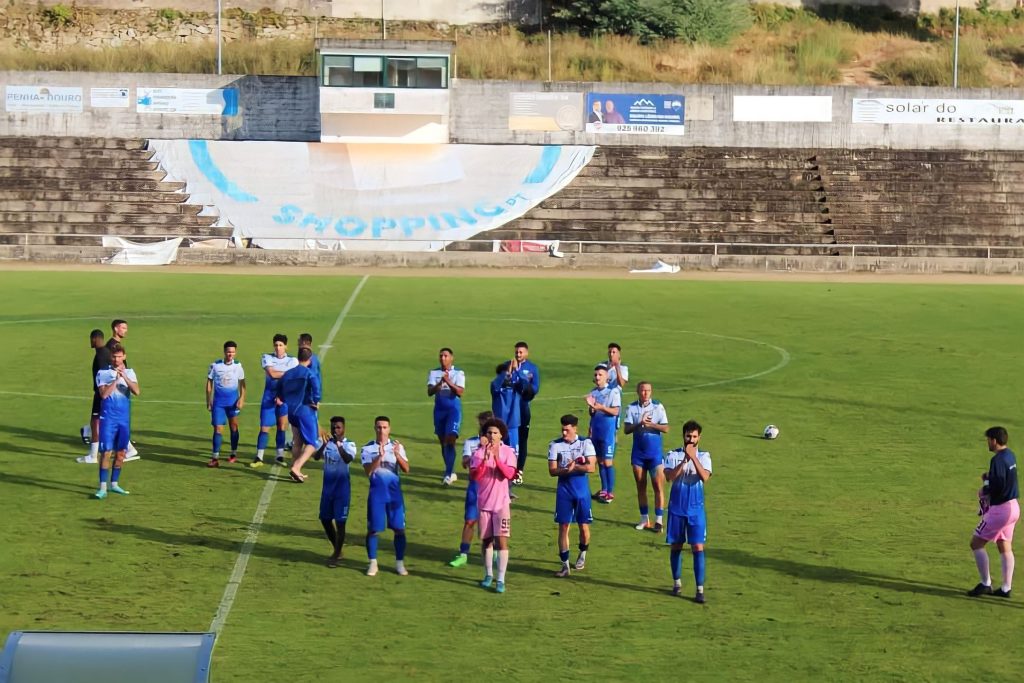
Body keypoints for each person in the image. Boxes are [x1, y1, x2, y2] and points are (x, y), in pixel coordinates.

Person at [968, 426, 1019, 598]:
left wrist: (985, 489)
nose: (987, 443)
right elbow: (1003, 479)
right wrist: (989, 477)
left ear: (994, 440)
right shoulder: (1010, 455)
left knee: (976, 543)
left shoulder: (997, 460)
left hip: (1001, 510)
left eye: (988, 439)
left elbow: (996, 486)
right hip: (1013, 506)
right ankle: (1006, 588)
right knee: (1004, 546)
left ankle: (985, 584)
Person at [664, 420, 712, 603]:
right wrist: (685, 459)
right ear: (683, 436)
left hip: (696, 510)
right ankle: (677, 584)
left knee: (698, 547)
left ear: (699, 437)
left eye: (694, 436)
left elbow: (705, 477)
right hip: (676, 509)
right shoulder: (673, 455)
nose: (691, 440)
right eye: (688, 436)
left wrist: (694, 458)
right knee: (676, 546)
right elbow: (669, 477)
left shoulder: (705, 456)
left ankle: (700, 590)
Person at [470, 418, 518, 593]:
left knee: (502, 541)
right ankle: (489, 574)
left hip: (501, 504)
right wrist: (484, 460)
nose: (491, 436)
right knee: (486, 541)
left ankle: (501, 579)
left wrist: (497, 460)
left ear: (501, 435)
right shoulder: (478, 453)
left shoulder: (508, 452)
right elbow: (475, 476)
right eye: (489, 432)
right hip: (484, 503)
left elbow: (510, 474)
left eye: (495, 433)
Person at [361, 416, 410, 577]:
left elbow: (406, 469)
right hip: (377, 495)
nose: (381, 430)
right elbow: (368, 472)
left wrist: (397, 455)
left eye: (384, 427)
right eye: (379, 427)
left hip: (395, 495)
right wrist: (379, 457)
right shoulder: (367, 449)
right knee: (373, 529)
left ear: (389, 429)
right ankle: (373, 563)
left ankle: (399, 563)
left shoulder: (397, 446)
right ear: (374, 428)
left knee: (399, 529)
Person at [548, 414, 596, 578]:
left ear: (575, 428)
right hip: (564, 491)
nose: (564, 433)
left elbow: (591, 468)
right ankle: (565, 565)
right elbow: (552, 470)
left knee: (583, 526)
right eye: (562, 429)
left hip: (582, 491)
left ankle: (582, 553)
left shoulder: (585, 443)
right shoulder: (555, 445)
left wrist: (574, 466)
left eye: (567, 430)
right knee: (563, 526)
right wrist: (565, 470)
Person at [93, 344, 140, 500]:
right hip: (108, 418)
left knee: (121, 453)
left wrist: (124, 377)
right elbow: (104, 395)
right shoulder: (103, 373)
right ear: (110, 357)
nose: (116, 359)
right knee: (106, 452)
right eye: (114, 356)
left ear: (124, 357)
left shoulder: (130, 373)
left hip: (123, 419)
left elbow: (137, 391)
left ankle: (114, 484)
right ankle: (102, 488)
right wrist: (116, 380)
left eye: (119, 356)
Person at [449, 411, 493, 568]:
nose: (481, 428)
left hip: (492, 488)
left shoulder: (499, 445)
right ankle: (463, 554)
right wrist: (479, 450)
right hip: (474, 487)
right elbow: (465, 462)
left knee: (490, 523)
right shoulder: (471, 442)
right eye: (480, 425)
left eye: (484, 424)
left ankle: (492, 554)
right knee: (469, 521)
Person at [624, 381, 669, 531]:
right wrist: (639, 423)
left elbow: (666, 428)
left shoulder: (658, 407)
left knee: (657, 486)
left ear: (651, 392)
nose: (645, 393)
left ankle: (659, 521)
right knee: (641, 486)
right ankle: (644, 520)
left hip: (655, 454)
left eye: (648, 391)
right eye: (643, 390)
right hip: (638, 455)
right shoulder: (631, 408)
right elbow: (626, 429)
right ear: (638, 391)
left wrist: (650, 425)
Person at [249, 333, 297, 468]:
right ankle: (259, 457)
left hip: (284, 398)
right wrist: (287, 374)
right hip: (269, 398)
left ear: (286, 346)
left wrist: (282, 395)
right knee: (264, 427)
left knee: (282, 427)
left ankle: (279, 456)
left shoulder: (293, 360)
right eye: (276, 345)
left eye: (281, 345)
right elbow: (271, 373)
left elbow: (291, 379)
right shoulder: (267, 357)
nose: (278, 347)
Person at [276, 347, 322, 482]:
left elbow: (279, 389)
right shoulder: (308, 373)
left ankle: (295, 471)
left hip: (291, 411)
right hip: (305, 411)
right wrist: (315, 400)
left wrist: (283, 399)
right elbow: (316, 388)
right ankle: (297, 467)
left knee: (297, 441)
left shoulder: (288, 373)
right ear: (310, 359)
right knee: (312, 443)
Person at [319, 416, 357, 568]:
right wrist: (323, 445)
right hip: (327, 490)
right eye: (334, 427)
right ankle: (338, 549)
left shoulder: (350, 444)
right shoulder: (327, 444)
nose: (336, 430)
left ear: (344, 428)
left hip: (342, 490)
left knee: (340, 522)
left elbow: (348, 459)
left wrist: (339, 446)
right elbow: (316, 457)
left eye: (338, 427)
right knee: (325, 519)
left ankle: (336, 554)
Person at [427, 347, 465, 486]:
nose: (443, 358)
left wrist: (448, 381)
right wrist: (439, 383)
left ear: (451, 358)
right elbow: (430, 392)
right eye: (441, 356)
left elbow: (460, 392)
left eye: (445, 356)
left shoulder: (458, 373)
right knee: (443, 442)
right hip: (439, 411)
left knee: (450, 439)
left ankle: (448, 474)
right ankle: (451, 470)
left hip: (453, 410)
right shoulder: (434, 372)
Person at [206, 340, 246, 467]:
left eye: (233, 352)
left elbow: (242, 384)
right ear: (224, 352)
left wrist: (242, 398)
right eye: (229, 352)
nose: (231, 354)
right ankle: (215, 457)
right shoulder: (215, 366)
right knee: (218, 429)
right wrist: (208, 401)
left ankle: (233, 453)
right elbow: (209, 383)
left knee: (233, 427)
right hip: (219, 403)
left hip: (233, 402)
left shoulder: (238, 366)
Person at [104, 319, 139, 461]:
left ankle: (127, 448)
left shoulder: (114, 345)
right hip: (115, 387)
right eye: (123, 328)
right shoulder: (112, 346)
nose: (126, 331)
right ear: (115, 329)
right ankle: (127, 449)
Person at [586, 364, 621, 504]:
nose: (597, 377)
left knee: (607, 462)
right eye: (596, 375)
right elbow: (592, 413)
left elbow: (615, 412)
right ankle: (604, 489)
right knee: (599, 461)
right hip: (596, 430)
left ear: (607, 376)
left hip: (608, 432)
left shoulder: (613, 392)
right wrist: (592, 410)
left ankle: (610, 492)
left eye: (600, 375)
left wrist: (600, 407)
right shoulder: (593, 392)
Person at [78, 329, 110, 464]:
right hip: (104, 392)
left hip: (101, 393)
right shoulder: (103, 353)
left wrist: (102, 392)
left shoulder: (101, 355)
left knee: (95, 421)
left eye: (91, 339)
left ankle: (93, 455)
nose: (90, 342)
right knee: (100, 421)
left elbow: (104, 375)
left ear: (95, 339)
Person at [511, 341, 540, 485]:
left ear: (527, 353)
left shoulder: (532, 368)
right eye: (516, 352)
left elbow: (534, 389)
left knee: (522, 441)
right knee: (507, 440)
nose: (518, 354)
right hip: (508, 410)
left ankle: (519, 471)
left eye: (521, 352)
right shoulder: (507, 366)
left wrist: (518, 374)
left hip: (523, 410)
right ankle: (508, 469)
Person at [490, 361, 522, 455]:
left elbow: (523, 383)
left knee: (513, 453)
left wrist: (516, 370)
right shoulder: (495, 386)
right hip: (499, 425)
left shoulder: (516, 386)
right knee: (498, 452)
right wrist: (505, 372)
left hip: (513, 424)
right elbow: (496, 385)